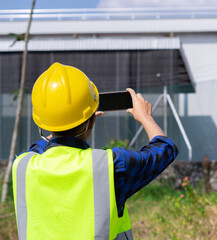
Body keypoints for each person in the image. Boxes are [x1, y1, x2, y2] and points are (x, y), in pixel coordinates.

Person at [12, 62, 178, 240]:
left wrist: (73, 120)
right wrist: (145, 117)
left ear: (41, 122)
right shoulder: (109, 167)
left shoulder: (22, 166)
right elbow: (164, 149)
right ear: (92, 121)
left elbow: (40, 147)